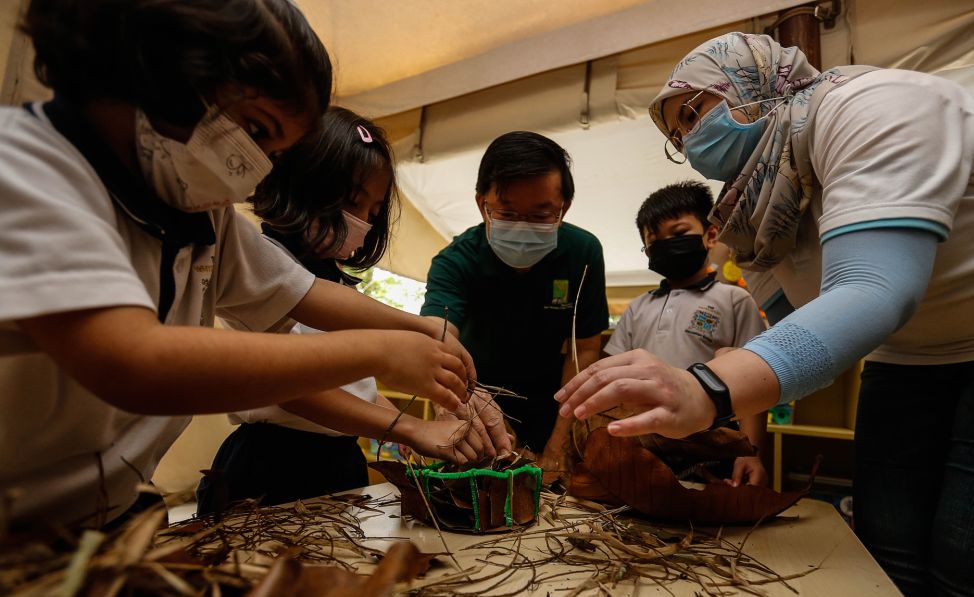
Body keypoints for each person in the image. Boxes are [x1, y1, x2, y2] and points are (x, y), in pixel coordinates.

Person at [556, 32, 974, 597]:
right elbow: (805, 334)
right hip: (905, 359)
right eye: (677, 132)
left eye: (694, 111)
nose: (688, 142)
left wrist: (705, 389)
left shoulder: (868, 106)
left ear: (756, 81)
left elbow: (873, 289)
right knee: (888, 542)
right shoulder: (754, 206)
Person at [0, 0, 490, 529]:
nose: (253, 176)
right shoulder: (22, 168)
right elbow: (133, 361)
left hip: (105, 514)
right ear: (157, 68)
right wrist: (380, 351)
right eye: (256, 130)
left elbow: (302, 294)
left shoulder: (201, 217)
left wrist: (425, 329)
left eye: (272, 154)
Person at [197, 108, 511, 514]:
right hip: (271, 466)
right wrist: (408, 426)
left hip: (340, 460)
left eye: (372, 212)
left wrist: (413, 420)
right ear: (297, 180)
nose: (361, 222)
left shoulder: (337, 285)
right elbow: (289, 389)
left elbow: (353, 385)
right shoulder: (257, 264)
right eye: (351, 202)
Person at [421, 131, 609, 453]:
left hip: (557, 406)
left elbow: (585, 348)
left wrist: (558, 443)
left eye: (540, 216)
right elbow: (438, 338)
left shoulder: (583, 253)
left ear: (563, 209)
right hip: (477, 402)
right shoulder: (456, 261)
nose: (522, 228)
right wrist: (454, 400)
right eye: (507, 214)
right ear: (482, 204)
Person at [605, 181, 767, 486]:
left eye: (678, 234)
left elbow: (757, 385)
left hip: (714, 441)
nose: (667, 245)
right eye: (654, 240)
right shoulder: (638, 306)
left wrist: (751, 452)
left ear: (710, 235)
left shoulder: (734, 300)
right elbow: (615, 377)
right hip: (644, 441)